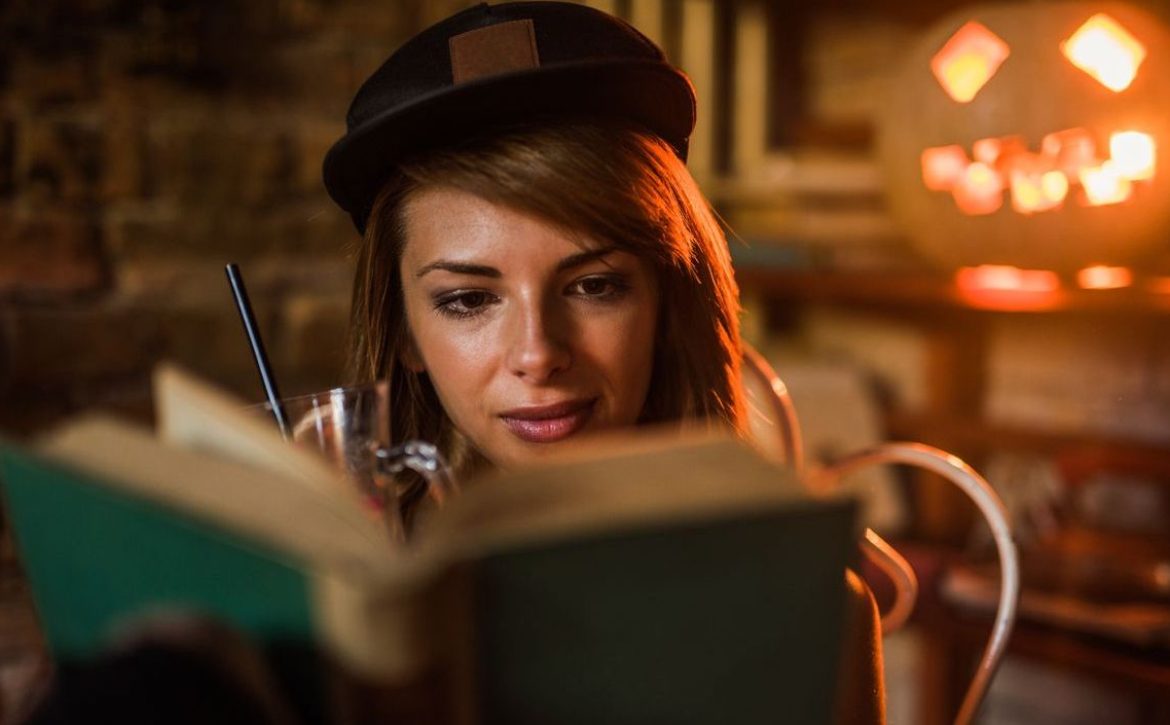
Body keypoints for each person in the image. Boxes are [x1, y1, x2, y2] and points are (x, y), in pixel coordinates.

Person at [323, 2, 884, 723]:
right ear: (403, 332)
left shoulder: (806, 609)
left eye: (594, 285)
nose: (538, 354)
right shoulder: (345, 606)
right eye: (468, 299)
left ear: (665, 301)